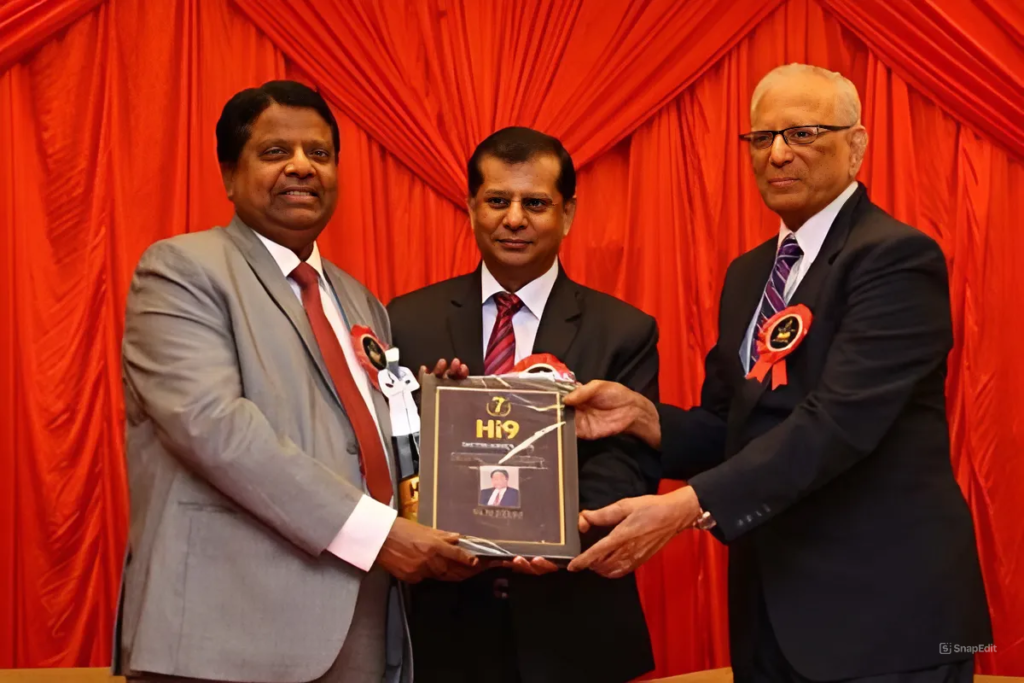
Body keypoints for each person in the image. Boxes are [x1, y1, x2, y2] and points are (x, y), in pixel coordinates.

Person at [564, 64, 992, 682]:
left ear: (856, 145)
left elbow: (836, 425)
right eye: (761, 138)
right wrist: (643, 418)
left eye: (803, 134)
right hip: (770, 618)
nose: (778, 154)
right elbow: (731, 426)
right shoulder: (749, 274)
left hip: (885, 618)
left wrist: (685, 507)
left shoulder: (895, 257)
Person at [116, 80, 478, 683]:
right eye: (275, 152)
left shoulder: (360, 300)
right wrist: (379, 534)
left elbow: (374, 438)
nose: (302, 167)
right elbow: (215, 429)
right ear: (229, 176)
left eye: (320, 153)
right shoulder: (181, 271)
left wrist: (443, 420)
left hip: (363, 616)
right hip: (228, 627)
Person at [387, 127, 658, 683]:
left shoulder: (623, 329)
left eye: (534, 203)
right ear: (471, 208)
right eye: (497, 201)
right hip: (445, 630)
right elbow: (391, 458)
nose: (514, 219)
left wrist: (557, 538)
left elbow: (626, 467)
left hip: (574, 625)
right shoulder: (407, 320)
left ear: (567, 213)